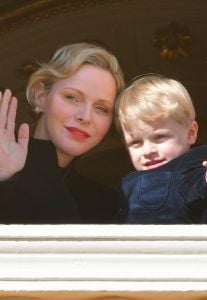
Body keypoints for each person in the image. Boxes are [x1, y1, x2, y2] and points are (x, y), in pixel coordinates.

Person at [0, 42, 124, 224]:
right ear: (40, 96)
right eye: (72, 98)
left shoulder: (108, 203)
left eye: (102, 108)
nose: (85, 117)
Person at [114, 74, 207, 224]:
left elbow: (203, 190)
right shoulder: (127, 185)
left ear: (190, 133)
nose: (148, 151)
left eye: (160, 137)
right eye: (136, 142)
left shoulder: (194, 165)